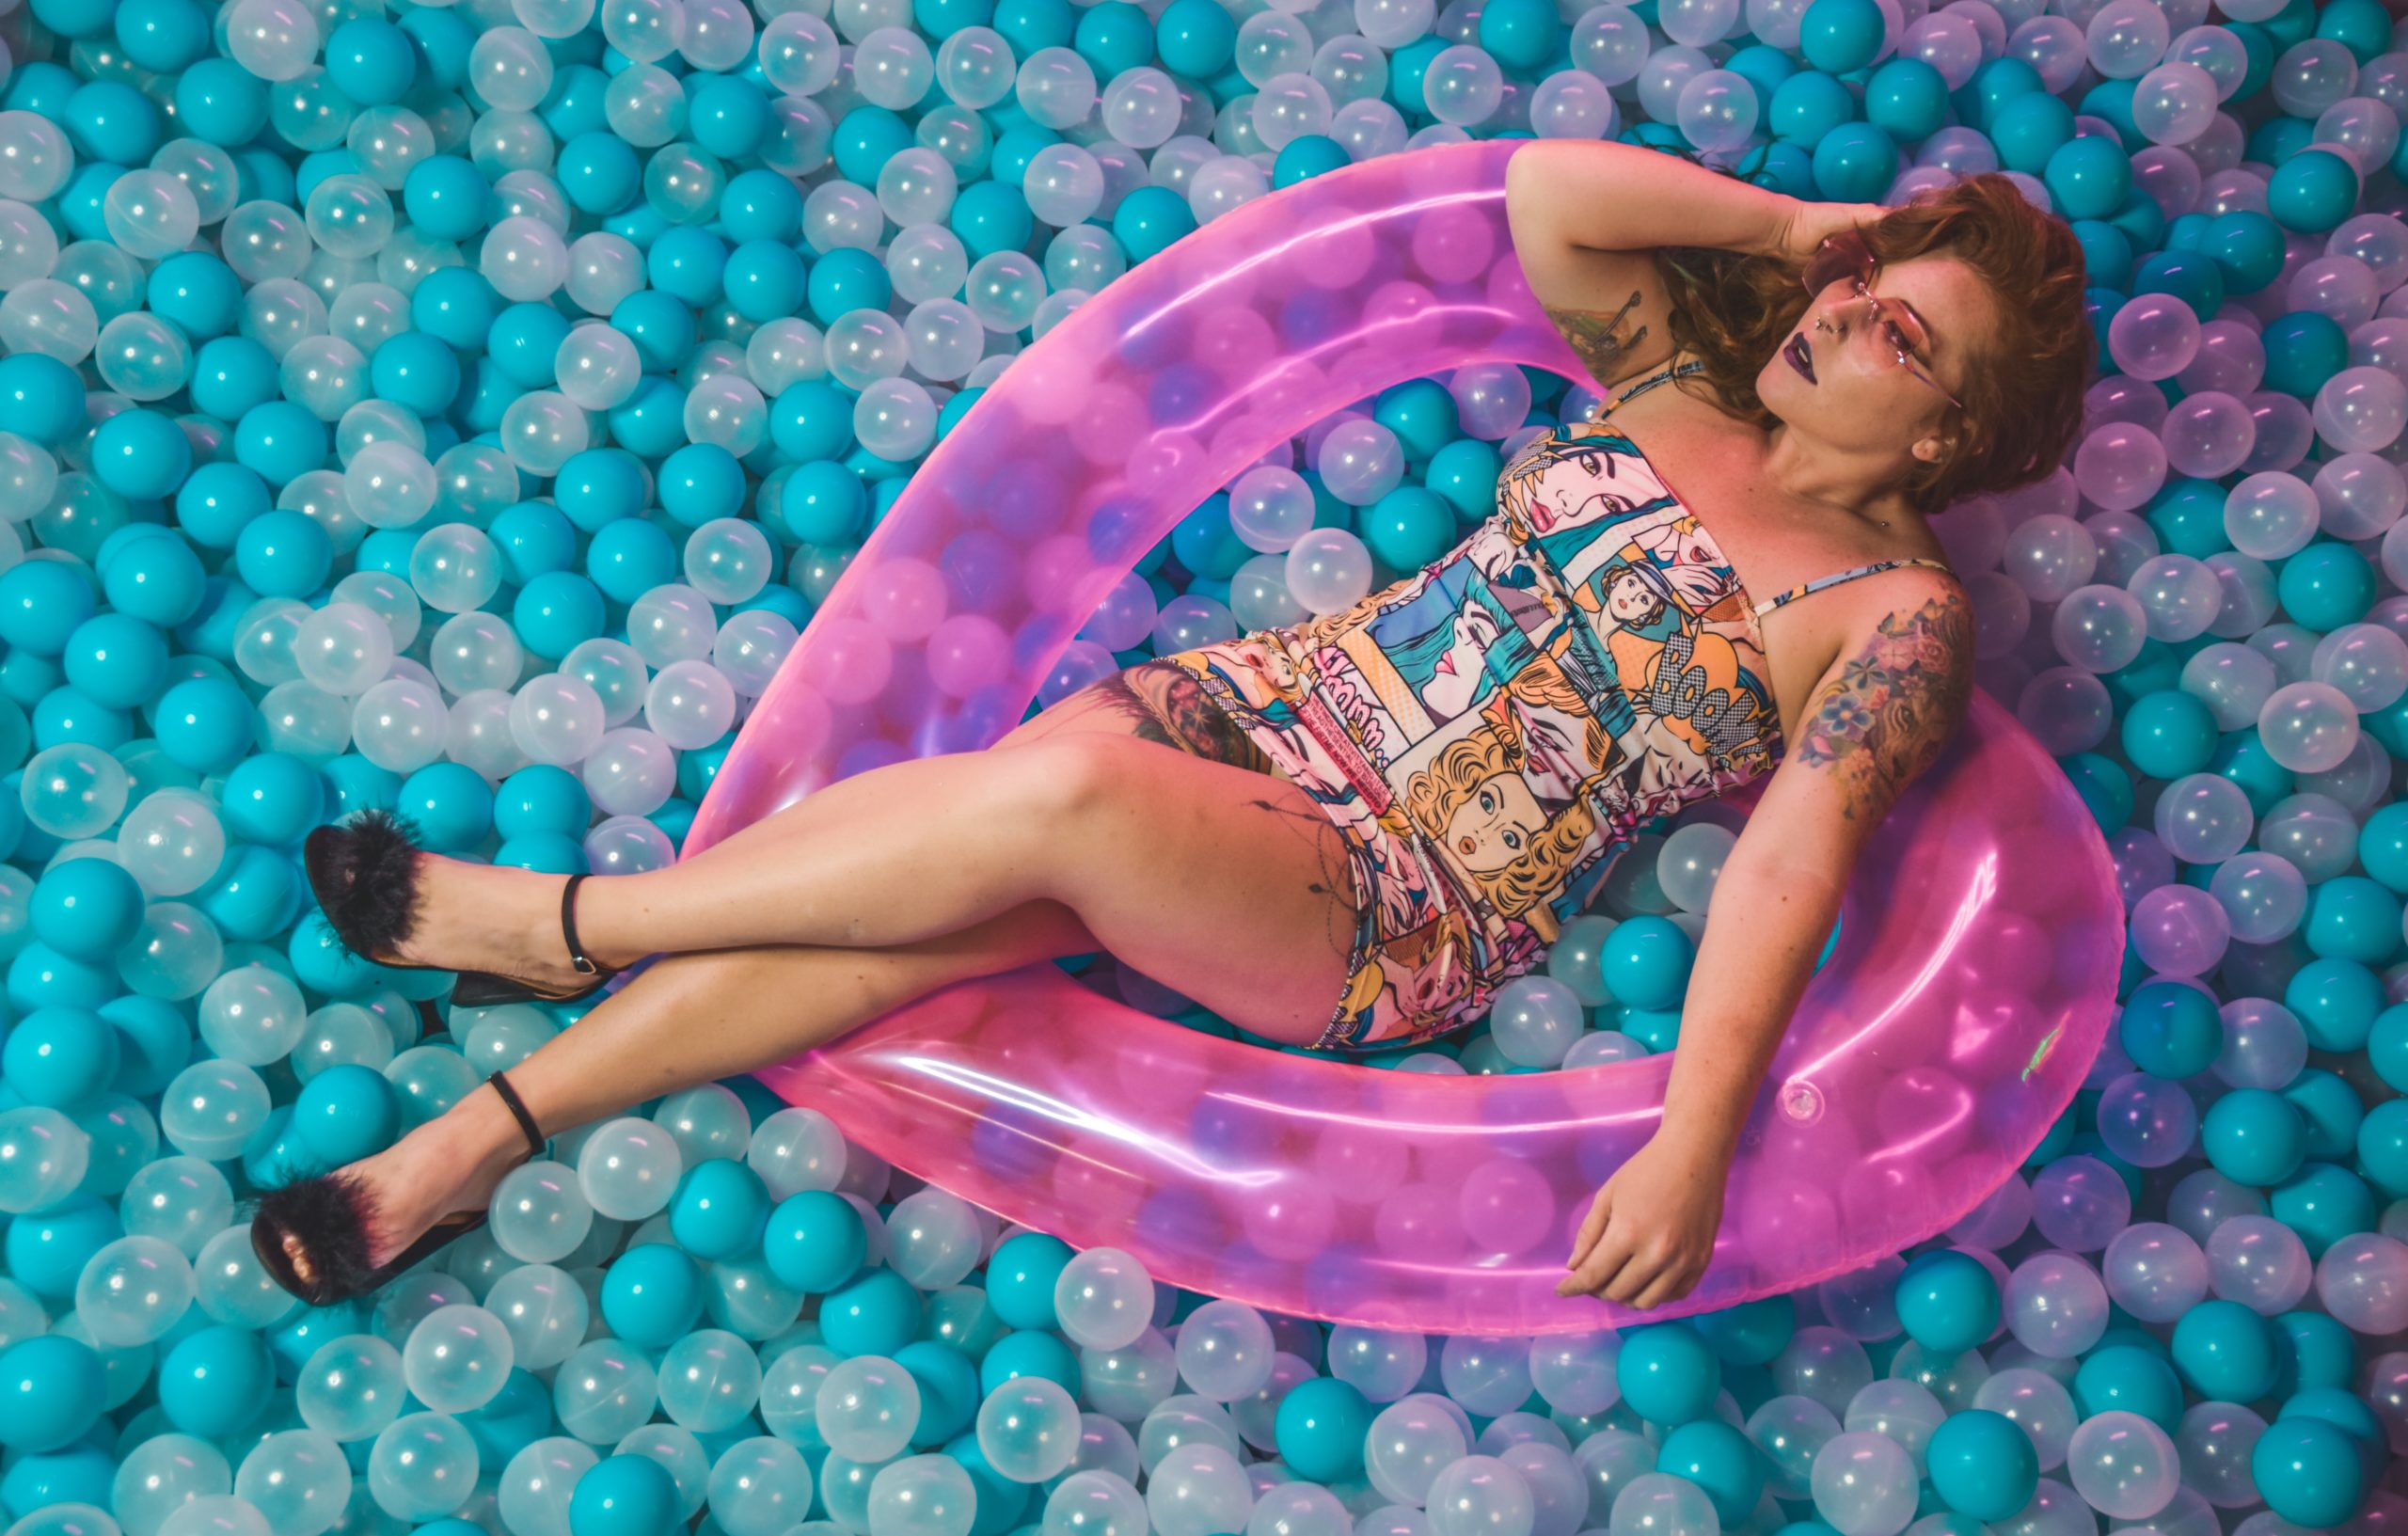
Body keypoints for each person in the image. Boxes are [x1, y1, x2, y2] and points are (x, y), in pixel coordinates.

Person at [253, 142, 2093, 1311]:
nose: (1843, 314)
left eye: (1896, 337)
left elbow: (1789, 857)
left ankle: (562, 925)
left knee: (1047, 802)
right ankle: (472, 1139)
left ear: (1943, 443)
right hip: (1263, 705)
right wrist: (1799, 224)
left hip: (1396, 887)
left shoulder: (1890, 615)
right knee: (938, 914)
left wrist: (1693, 1136)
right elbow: (1548, 203)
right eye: (1858, 290)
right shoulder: (1681, 378)